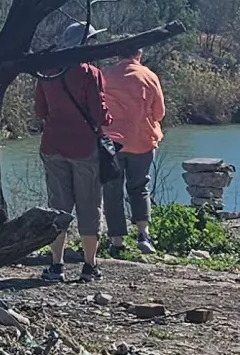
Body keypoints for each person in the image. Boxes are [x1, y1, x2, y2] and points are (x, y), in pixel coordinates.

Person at [32, 21, 110, 283]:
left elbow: (40, 112)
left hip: (53, 145)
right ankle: (89, 266)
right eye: (92, 41)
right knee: (89, 206)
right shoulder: (90, 73)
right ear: (84, 44)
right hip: (84, 147)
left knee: (58, 207)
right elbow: (99, 114)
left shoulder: (47, 71)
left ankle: (56, 265)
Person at [98, 46, 167, 254]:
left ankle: (116, 240)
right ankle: (143, 234)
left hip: (112, 143)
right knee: (140, 187)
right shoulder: (149, 76)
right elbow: (159, 113)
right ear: (139, 54)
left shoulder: (105, 75)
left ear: (118, 55)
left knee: (112, 190)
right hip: (142, 141)